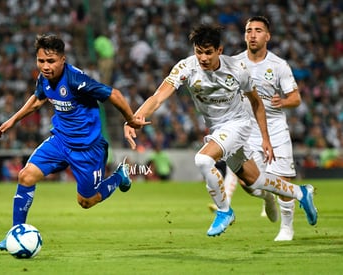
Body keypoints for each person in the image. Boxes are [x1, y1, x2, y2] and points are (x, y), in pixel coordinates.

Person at [124, 24, 317, 237]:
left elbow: (257, 103)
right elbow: (158, 96)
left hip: (239, 124)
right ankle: (301, 192)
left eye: (208, 52)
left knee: (203, 160)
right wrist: (136, 116)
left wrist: (265, 137)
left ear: (219, 50)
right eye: (199, 52)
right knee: (255, 182)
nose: (203, 58)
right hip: (218, 128)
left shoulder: (237, 69)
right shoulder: (186, 67)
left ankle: (225, 211)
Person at [0, 34, 147, 251]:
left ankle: (119, 176)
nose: (45, 66)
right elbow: (38, 99)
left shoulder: (77, 81)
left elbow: (115, 94)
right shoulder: (44, 78)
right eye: (41, 61)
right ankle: (15, 233)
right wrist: (13, 120)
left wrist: (130, 119)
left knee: (86, 201)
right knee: (26, 175)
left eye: (51, 61)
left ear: (63, 59)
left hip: (87, 149)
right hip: (60, 142)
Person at [215, 16, 304, 241]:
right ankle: (266, 198)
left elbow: (296, 98)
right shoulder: (233, 63)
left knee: (284, 180)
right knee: (248, 182)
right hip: (246, 129)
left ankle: (287, 229)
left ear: (267, 36)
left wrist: (282, 102)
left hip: (274, 129)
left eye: (258, 30)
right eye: (248, 30)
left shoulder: (278, 65)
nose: (252, 34)